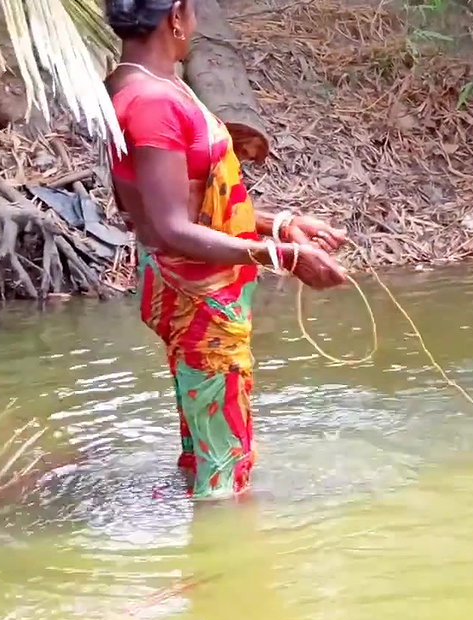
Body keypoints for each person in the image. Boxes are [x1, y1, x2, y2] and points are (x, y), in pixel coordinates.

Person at [104, 0, 349, 500]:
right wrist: (283, 257)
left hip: (182, 284)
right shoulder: (155, 102)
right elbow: (171, 226)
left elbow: (182, 199)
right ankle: (222, 565)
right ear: (176, 14)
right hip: (198, 295)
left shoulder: (135, 84)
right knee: (223, 467)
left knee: (205, 432)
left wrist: (282, 223)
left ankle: (202, 546)